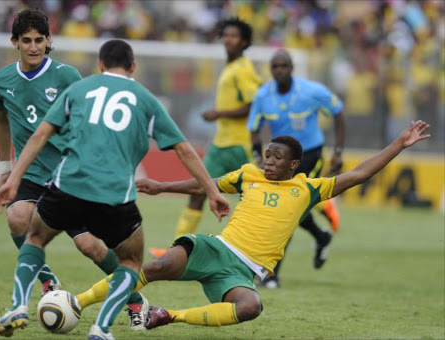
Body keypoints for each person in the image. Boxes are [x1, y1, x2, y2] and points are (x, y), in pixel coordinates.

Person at [75, 120, 430, 330]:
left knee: (250, 308)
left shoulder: (308, 187)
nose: (269, 161)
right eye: (267, 155)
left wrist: (400, 143)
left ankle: (168, 315)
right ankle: (76, 302)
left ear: (294, 165)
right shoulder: (249, 175)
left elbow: (359, 173)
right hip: (216, 249)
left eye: (278, 157)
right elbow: (207, 183)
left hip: (242, 273)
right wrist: (163, 186)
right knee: (156, 266)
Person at [0, 39, 230, 340]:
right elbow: (184, 150)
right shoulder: (145, 99)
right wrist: (212, 191)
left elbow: (40, 135)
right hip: (114, 194)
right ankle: (101, 328)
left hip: (69, 185)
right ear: (133, 67)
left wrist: (11, 179)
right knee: (130, 260)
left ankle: (17, 305)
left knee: (35, 238)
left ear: (100, 65)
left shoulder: (79, 88)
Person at [0, 9, 149, 334]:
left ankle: (136, 301)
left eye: (39, 40)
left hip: (69, 176)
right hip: (32, 174)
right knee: (18, 218)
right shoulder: (0, 81)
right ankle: (46, 283)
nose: (33, 47)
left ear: (49, 41)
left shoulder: (67, 76)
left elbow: (90, 121)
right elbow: (2, 120)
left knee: (90, 246)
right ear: (15, 42)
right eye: (26, 41)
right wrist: (7, 169)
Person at [148, 17, 261, 258]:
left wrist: (218, 113)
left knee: (253, 198)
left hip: (240, 145)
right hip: (221, 144)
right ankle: (174, 251)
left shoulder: (244, 69)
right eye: (226, 35)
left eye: (235, 36)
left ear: (245, 42)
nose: (229, 39)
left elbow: (254, 105)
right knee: (198, 190)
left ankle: (254, 250)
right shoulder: (230, 67)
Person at [248, 49, 346, 288]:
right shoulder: (263, 95)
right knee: (291, 208)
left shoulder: (311, 91)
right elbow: (254, 126)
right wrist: (257, 155)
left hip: (310, 155)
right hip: (282, 159)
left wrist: (338, 152)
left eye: (284, 66)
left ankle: (271, 275)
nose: (280, 70)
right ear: (271, 70)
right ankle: (321, 236)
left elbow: (338, 111)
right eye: (275, 67)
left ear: (291, 68)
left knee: (288, 210)